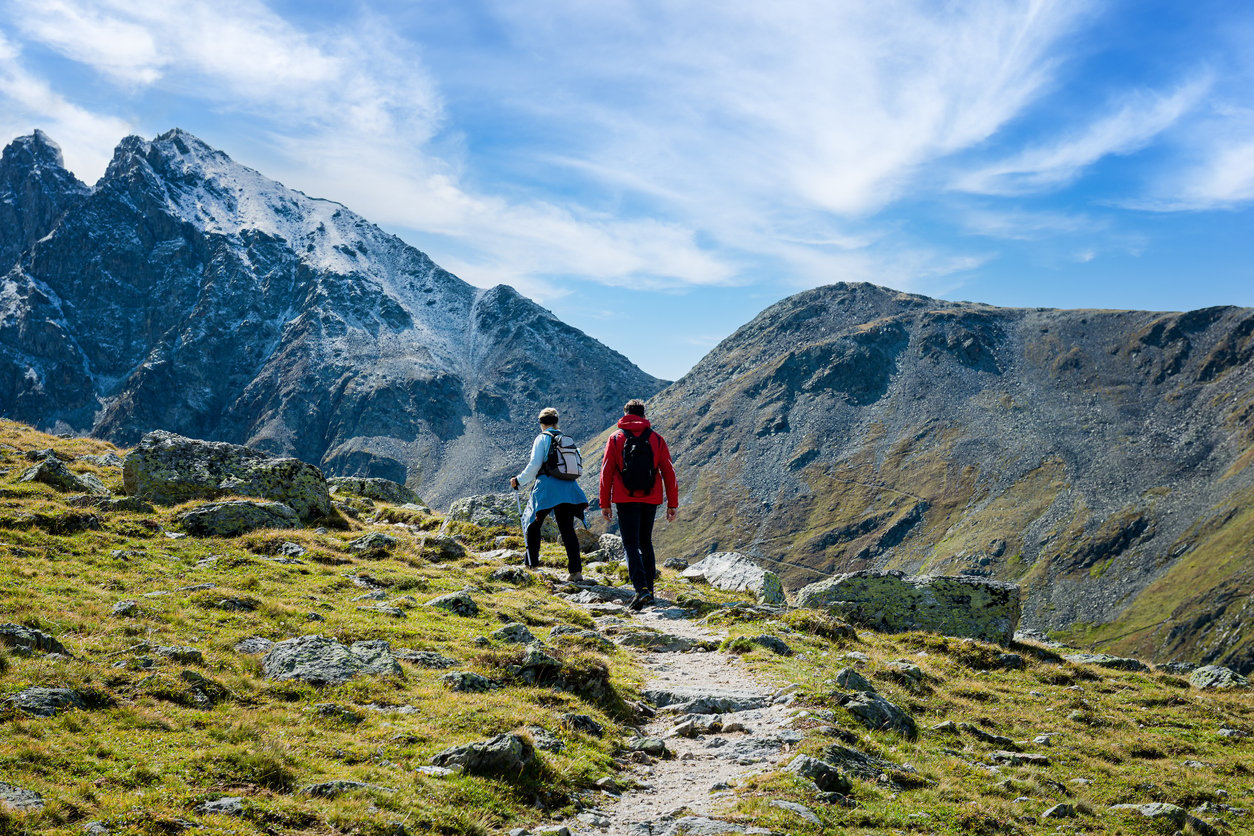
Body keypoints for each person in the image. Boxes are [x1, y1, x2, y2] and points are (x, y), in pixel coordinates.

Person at [599, 399, 678, 610]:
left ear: (625, 414)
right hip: (650, 498)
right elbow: (669, 472)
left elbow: (606, 472)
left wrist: (604, 503)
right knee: (646, 542)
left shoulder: (615, 438)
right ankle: (649, 591)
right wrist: (673, 503)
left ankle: (641, 589)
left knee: (630, 544)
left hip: (625, 499)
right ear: (644, 415)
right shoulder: (656, 439)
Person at [511, 407, 589, 582]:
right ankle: (576, 572)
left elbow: (534, 465)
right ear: (556, 421)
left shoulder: (542, 438)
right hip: (569, 489)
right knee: (567, 529)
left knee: (532, 523)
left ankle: (531, 565)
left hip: (547, 488)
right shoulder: (567, 440)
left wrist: (518, 480)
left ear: (541, 423)